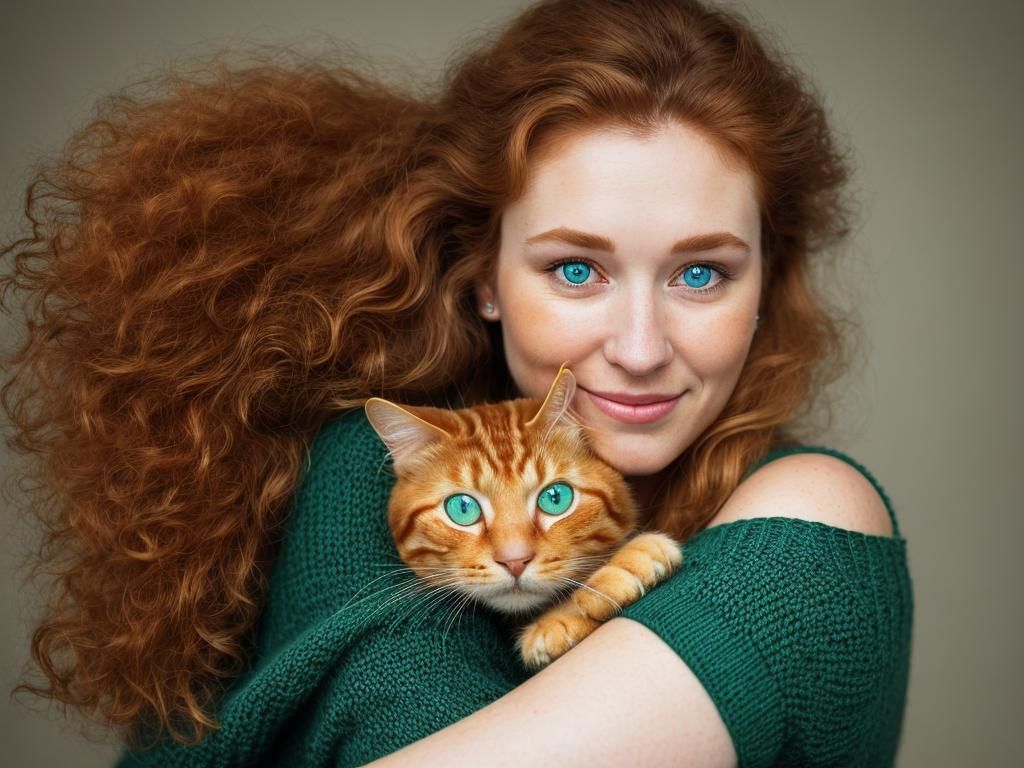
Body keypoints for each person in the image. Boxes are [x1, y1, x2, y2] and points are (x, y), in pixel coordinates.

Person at [1, 0, 912, 766]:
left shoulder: (808, 534)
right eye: (575, 270)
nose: (639, 348)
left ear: (767, 286)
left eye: (702, 273)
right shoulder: (378, 459)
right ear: (483, 277)